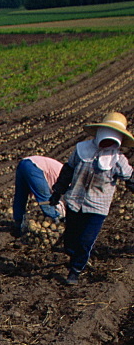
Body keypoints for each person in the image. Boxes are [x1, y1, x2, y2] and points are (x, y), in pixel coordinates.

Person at [47, 111, 134, 285]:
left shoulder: (118, 159)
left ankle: (75, 270)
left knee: (86, 240)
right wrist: (57, 192)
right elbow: (68, 171)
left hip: (98, 207)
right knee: (71, 239)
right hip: (74, 202)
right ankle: (74, 255)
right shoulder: (82, 149)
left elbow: (130, 179)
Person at [12, 155, 66, 237]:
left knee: (21, 195)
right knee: (45, 199)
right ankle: (55, 223)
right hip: (35, 167)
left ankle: (18, 223)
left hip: (24, 163)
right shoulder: (72, 184)